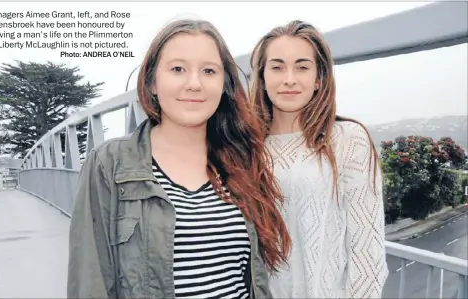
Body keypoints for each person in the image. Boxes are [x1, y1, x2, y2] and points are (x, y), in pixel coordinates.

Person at [67, 19, 292, 299]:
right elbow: (90, 282)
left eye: (209, 71)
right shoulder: (109, 164)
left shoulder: (241, 160)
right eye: (177, 69)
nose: (194, 84)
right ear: (151, 82)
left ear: (224, 85)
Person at [248, 20, 389, 298]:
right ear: (262, 77)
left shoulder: (347, 139)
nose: (289, 78)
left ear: (319, 79)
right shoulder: (245, 147)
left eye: (302, 67)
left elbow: (367, 252)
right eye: (277, 67)